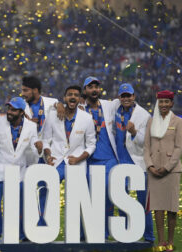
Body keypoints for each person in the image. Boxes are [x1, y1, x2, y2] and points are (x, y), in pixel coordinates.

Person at [0, 97, 43, 242]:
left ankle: (22, 235)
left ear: (21, 112)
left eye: (13, 110)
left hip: (19, 172)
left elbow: (34, 148)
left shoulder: (31, 127)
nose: (9, 112)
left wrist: (39, 149)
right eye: (9, 108)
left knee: (22, 205)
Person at [113, 83, 154, 243]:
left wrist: (134, 132)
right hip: (120, 163)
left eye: (128, 95)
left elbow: (147, 142)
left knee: (143, 203)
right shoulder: (115, 109)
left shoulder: (143, 115)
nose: (126, 99)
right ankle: (125, 234)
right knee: (122, 201)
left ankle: (149, 237)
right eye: (123, 96)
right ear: (119, 98)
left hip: (138, 164)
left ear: (134, 96)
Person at [144, 90, 182, 252]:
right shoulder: (151, 121)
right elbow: (146, 147)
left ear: (172, 103)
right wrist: (150, 165)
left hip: (171, 171)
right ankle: (161, 242)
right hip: (154, 170)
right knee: (158, 207)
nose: (164, 105)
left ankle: (170, 241)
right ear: (157, 103)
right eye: (161, 102)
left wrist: (167, 167)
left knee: (172, 207)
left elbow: (179, 147)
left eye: (167, 102)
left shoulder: (178, 121)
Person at [82, 76, 119, 240]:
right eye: (90, 87)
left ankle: (104, 232)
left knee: (106, 194)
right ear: (85, 91)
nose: (94, 89)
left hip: (108, 158)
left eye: (96, 86)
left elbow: (129, 103)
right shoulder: (79, 108)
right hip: (88, 159)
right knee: (89, 198)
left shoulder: (109, 105)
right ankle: (89, 232)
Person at [21, 76, 58, 226]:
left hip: (45, 153)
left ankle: (42, 224)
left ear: (35, 90)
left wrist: (60, 105)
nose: (22, 93)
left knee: (44, 190)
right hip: (27, 154)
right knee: (26, 192)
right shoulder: (20, 105)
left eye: (25, 90)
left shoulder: (52, 103)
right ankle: (27, 226)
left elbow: (60, 105)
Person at [43, 85, 96, 182]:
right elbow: (45, 140)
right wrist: (48, 156)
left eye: (76, 95)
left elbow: (91, 145)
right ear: (64, 98)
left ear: (79, 99)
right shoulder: (52, 115)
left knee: (76, 196)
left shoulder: (87, 118)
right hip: (56, 160)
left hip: (76, 161)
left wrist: (78, 159)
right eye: (69, 94)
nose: (72, 97)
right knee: (45, 186)